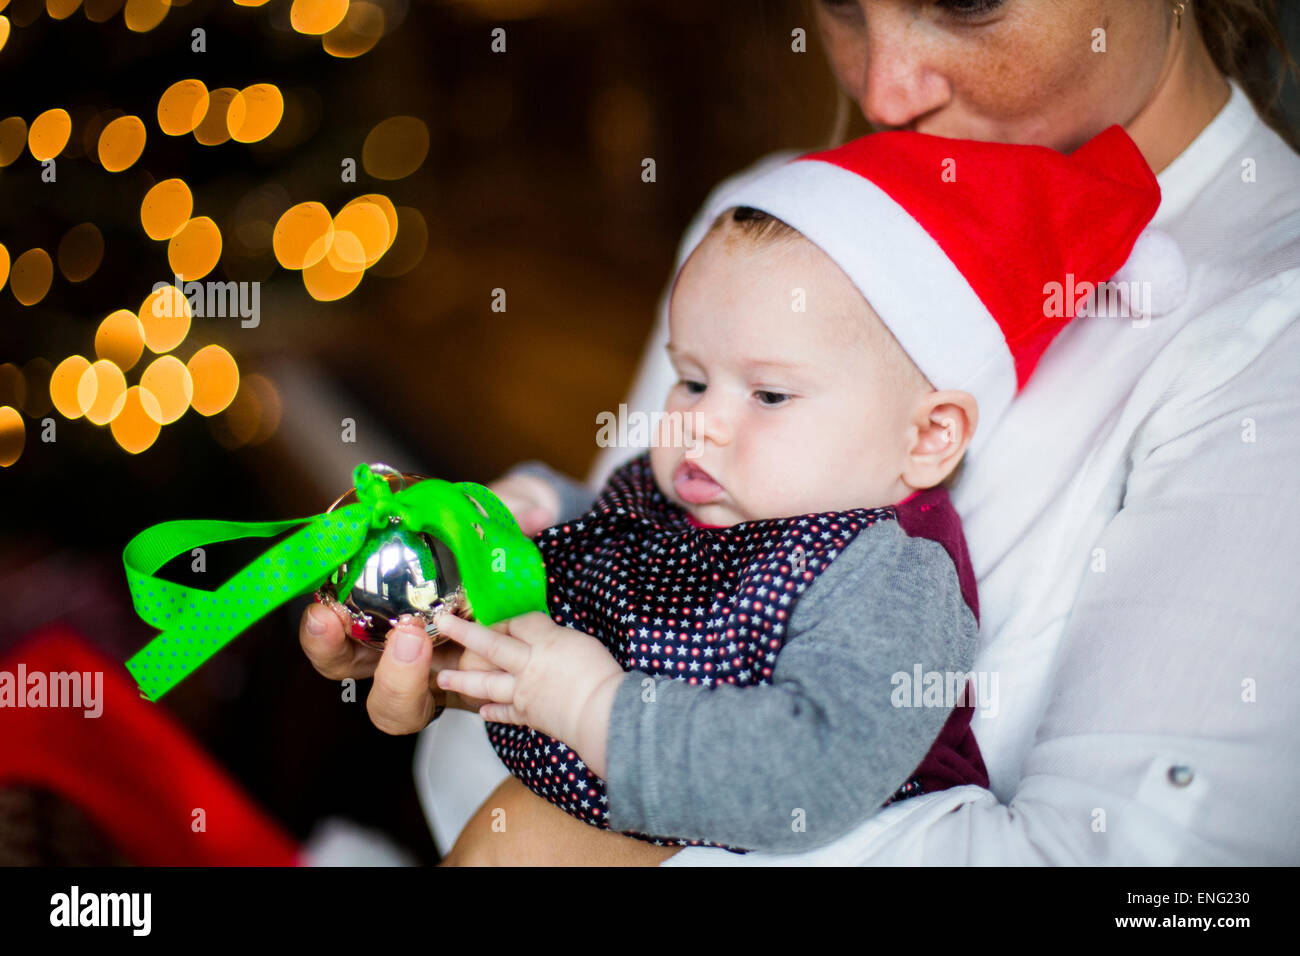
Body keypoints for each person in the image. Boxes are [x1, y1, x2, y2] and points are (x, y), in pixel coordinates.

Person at [301, 0, 1300, 865]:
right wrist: (478, 609)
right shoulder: (778, 221)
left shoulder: (1269, 334)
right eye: (840, 5)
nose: (883, 89)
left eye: (964, 0)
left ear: (935, 430)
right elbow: (616, 575)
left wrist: (569, 800)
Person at [427, 125, 1164, 854]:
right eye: (690, 378)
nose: (701, 422)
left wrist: (594, 707)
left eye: (770, 395)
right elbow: (624, 548)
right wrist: (542, 513)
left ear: (928, 436)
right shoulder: (704, 489)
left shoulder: (883, 577)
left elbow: (809, 768)